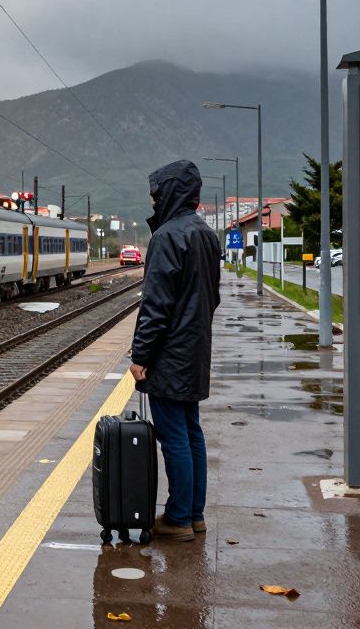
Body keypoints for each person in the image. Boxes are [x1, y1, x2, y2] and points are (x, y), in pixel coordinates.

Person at [128, 160, 221, 542]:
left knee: (175, 438)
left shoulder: (168, 237)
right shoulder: (205, 234)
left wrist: (141, 356)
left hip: (169, 353)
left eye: (156, 194)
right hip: (195, 349)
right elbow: (211, 297)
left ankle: (179, 518)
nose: (153, 201)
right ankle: (194, 514)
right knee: (191, 432)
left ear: (170, 193)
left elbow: (156, 304)